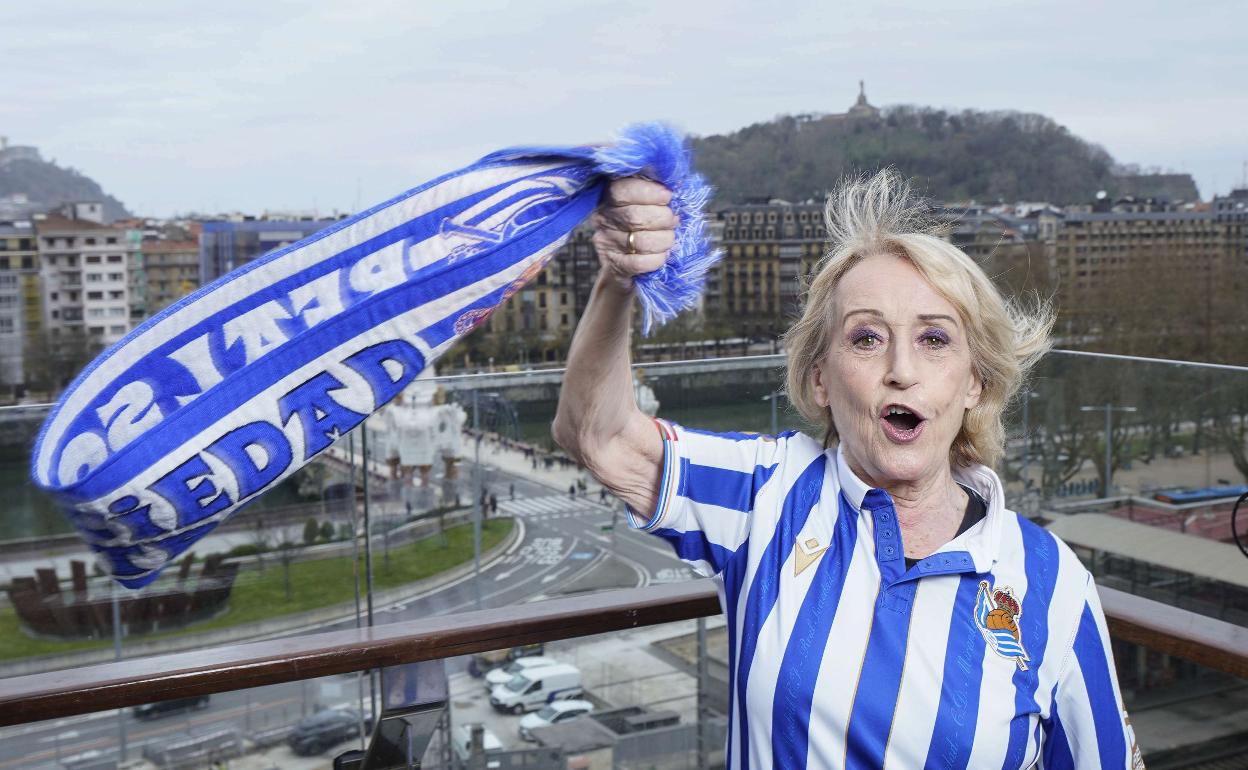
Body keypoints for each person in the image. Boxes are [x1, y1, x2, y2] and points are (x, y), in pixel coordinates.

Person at [553, 170, 1143, 769]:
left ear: (974, 382)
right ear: (820, 378)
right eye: (866, 338)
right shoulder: (771, 492)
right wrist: (619, 283)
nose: (901, 369)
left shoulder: (1051, 581)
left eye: (935, 340)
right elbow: (596, 435)